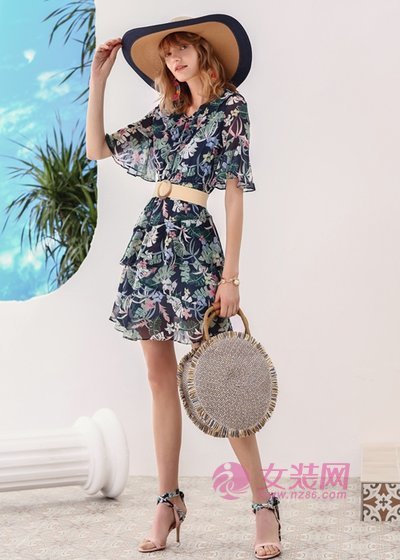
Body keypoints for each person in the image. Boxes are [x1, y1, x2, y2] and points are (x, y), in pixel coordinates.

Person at [86, 13, 282, 560]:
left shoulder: (231, 108)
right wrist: (99, 82)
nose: (173, 59)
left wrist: (231, 276)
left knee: (221, 380)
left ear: (203, 52)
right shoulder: (166, 113)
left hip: (196, 249)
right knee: (158, 377)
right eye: (167, 53)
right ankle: (168, 501)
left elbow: (235, 194)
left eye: (182, 49)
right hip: (151, 246)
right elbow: (98, 148)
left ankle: (263, 504)